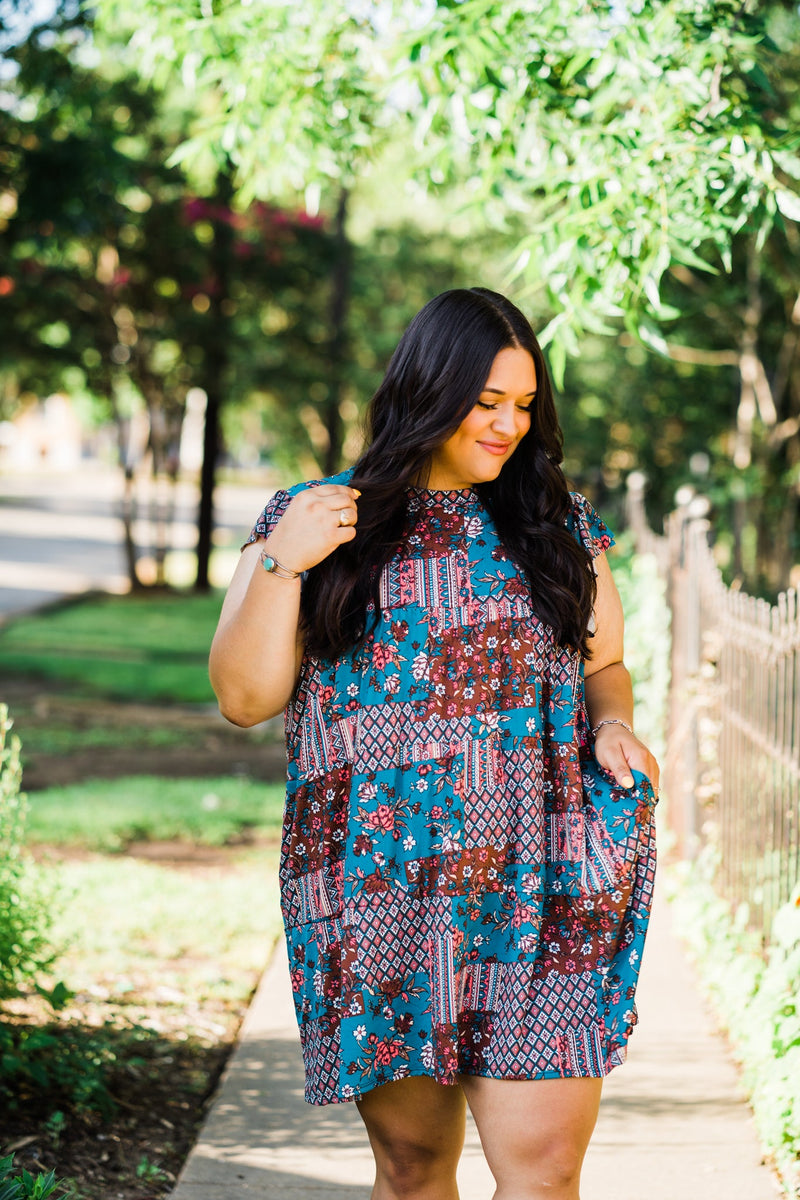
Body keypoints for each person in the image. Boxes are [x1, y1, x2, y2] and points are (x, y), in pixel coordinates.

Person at [209, 287, 659, 1200]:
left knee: (543, 1171)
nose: (507, 426)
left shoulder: (559, 526)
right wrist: (280, 561)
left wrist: (614, 722)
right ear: (428, 390)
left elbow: (604, 664)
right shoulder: (320, 520)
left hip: (546, 874)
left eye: (524, 405)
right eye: (486, 402)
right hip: (383, 882)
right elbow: (244, 696)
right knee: (413, 1170)